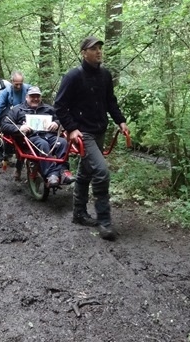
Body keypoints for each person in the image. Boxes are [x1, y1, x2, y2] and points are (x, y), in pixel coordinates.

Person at [54, 36, 129, 241]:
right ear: (83, 53)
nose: (98, 52)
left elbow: (110, 102)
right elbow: (59, 106)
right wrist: (71, 128)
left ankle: (78, 213)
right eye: (93, 48)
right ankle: (104, 222)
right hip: (83, 133)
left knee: (86, 172)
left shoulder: (105, 75)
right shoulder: (73, 76)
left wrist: (120, 121)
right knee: (101, 172)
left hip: (99, 131)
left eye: (99, 48)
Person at [1, 86, 75, 186]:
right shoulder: (17, 110)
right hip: (30, 138)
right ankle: (51, 175)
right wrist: (20, 127)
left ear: (40, 97)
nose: (35, 99)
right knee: (43, 144)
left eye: (37, 96)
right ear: (27, 97)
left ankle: (63, 171)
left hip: (49, 135)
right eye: (32, 96)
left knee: (63, 143)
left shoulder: (49, 109)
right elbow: (5, 125)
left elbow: (62, 118)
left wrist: (56, 123)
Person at [0, 71, 31, 172]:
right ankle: (7, 155)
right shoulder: (7, 92)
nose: (18, 86)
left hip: (27, 117)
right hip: (12, 118)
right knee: (7, 133)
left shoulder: (28, 89)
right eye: (16, 84)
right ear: (12, 81)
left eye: (20, 84)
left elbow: (37, 101)